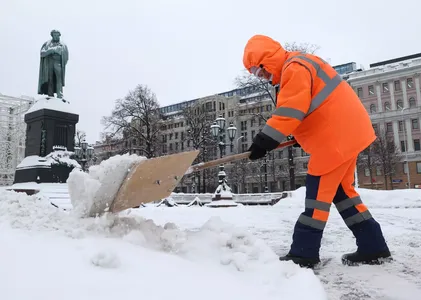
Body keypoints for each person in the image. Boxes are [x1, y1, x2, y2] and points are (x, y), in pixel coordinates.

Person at [243, 34, 392, 268]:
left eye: (257, 70)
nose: (260, 76)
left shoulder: (294, 67)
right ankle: (373, 246)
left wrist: (265, 140)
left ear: (266, 60)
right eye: (254, 73)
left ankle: (304, 253)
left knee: (316, 198)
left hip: (335, 141)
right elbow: (314, 109)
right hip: (346, 134)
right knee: (343, 193)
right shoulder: (301, 63)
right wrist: (300, 135)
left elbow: (292, 109)